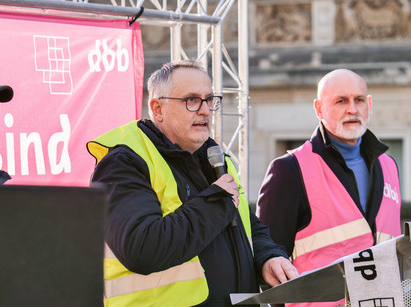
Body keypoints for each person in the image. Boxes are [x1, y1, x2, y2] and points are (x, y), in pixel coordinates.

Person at [87, 59, 298, 306]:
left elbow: (247, 227)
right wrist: (216, 202)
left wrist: (268, 257)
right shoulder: (125, 162)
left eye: (210, 100)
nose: (205, 110)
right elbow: (141, 247)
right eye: (192, 100)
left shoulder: (215, 159)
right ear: (157, 109)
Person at [257, 69, 401, 306]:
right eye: (341, 101)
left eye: (359, 100)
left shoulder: (389, 167)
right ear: (319, 108)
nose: (352, 109)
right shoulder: (290, 170)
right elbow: (268, 265)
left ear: (370, 104)